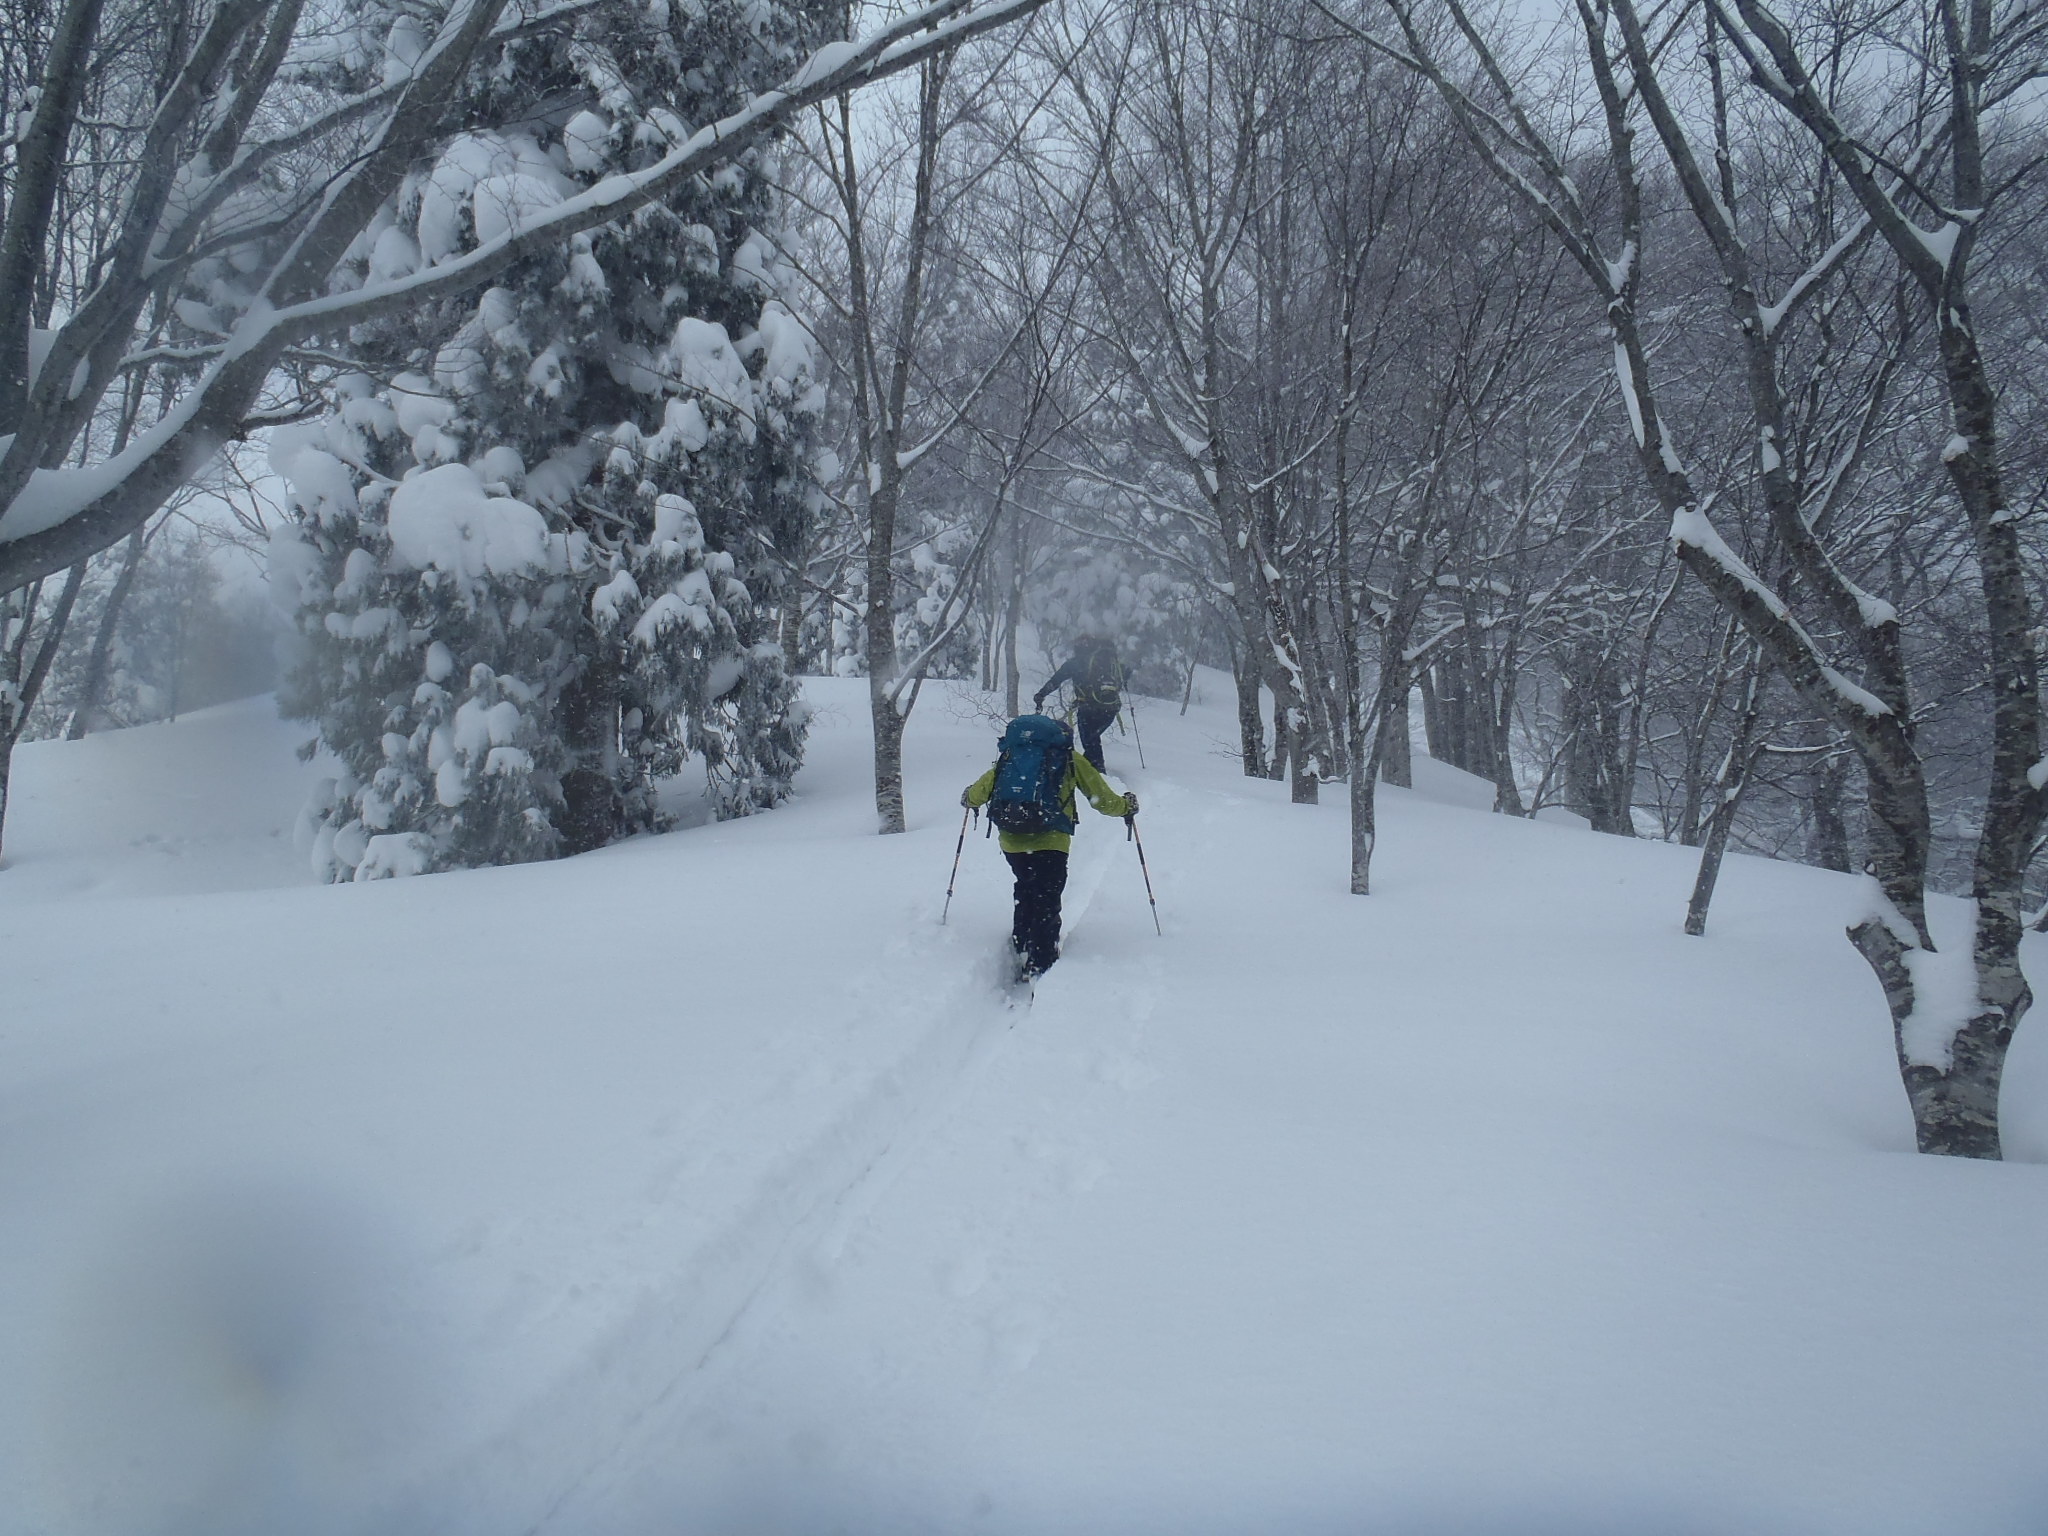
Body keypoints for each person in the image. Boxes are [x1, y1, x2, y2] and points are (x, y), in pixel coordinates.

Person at [962, 715, 1138, 982]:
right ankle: (1040, 961)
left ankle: (1022, 942)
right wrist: (1126, 806)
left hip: (1012, 837)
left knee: (1026, 883)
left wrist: (969, 797)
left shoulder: (1012, 754)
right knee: (1047, 894)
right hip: (1051, 838)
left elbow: (982, 790)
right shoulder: (1067, 757)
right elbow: (1100, 798)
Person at [1033, 636, 1124, 772]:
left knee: (1090, 741)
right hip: (1111, 708)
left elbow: (1056, 680)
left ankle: (1096, 772)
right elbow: (1123, 677)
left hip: (1088, 708)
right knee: (1093, 740)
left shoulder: (1075, 663)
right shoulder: (1107, 662)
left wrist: (1041, 695)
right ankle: (1090, 769)